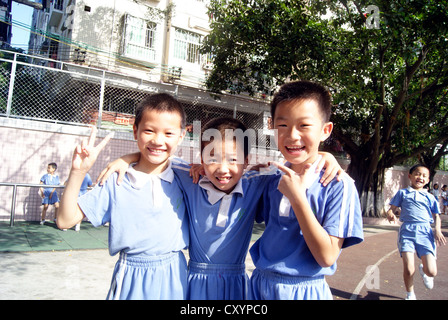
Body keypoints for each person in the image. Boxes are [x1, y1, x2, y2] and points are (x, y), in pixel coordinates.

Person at [98, 117, 345, 300]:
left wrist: (326, 156)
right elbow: (158, 155)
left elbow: (296, 163)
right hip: (194, 282)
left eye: (234, 159)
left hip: (237, 285)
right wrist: (126, 158)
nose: (223, 168)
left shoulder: (257, 181)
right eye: (213, 158)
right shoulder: (189, 177)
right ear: (201, 159)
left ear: (247, 162)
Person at [57, 93, 189, 300]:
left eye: (168, 133)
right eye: (149, 130)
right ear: (135, 130)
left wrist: (129, 157)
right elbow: (65, 220)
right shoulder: (116, 180)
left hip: (176, 275)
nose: (158, 140)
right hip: (132, 276)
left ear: (181, 137)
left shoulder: (185, 175)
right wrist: (78, 172)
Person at [248, 80, 364, 300]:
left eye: (304, 125)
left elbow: (327, 256)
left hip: (305, 290)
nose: (292, 135)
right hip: (259, 286)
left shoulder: (339, 185)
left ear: (325, 130)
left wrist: (298, 198)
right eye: (282, 125)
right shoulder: (271, 177)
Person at [386, 164, 446, 300]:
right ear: (410, 176)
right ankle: (410, 294)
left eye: (424, 176)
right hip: (407, 231)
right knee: (408, 268)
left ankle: (424, 272)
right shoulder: (403, 193)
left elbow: (436, 216)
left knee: (432, 271)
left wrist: (437, 229)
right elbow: (392, 209)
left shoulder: (430, 197)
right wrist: (390, 213)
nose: (421, 177)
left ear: (428, 180)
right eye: (418, 174)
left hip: (425, 232)